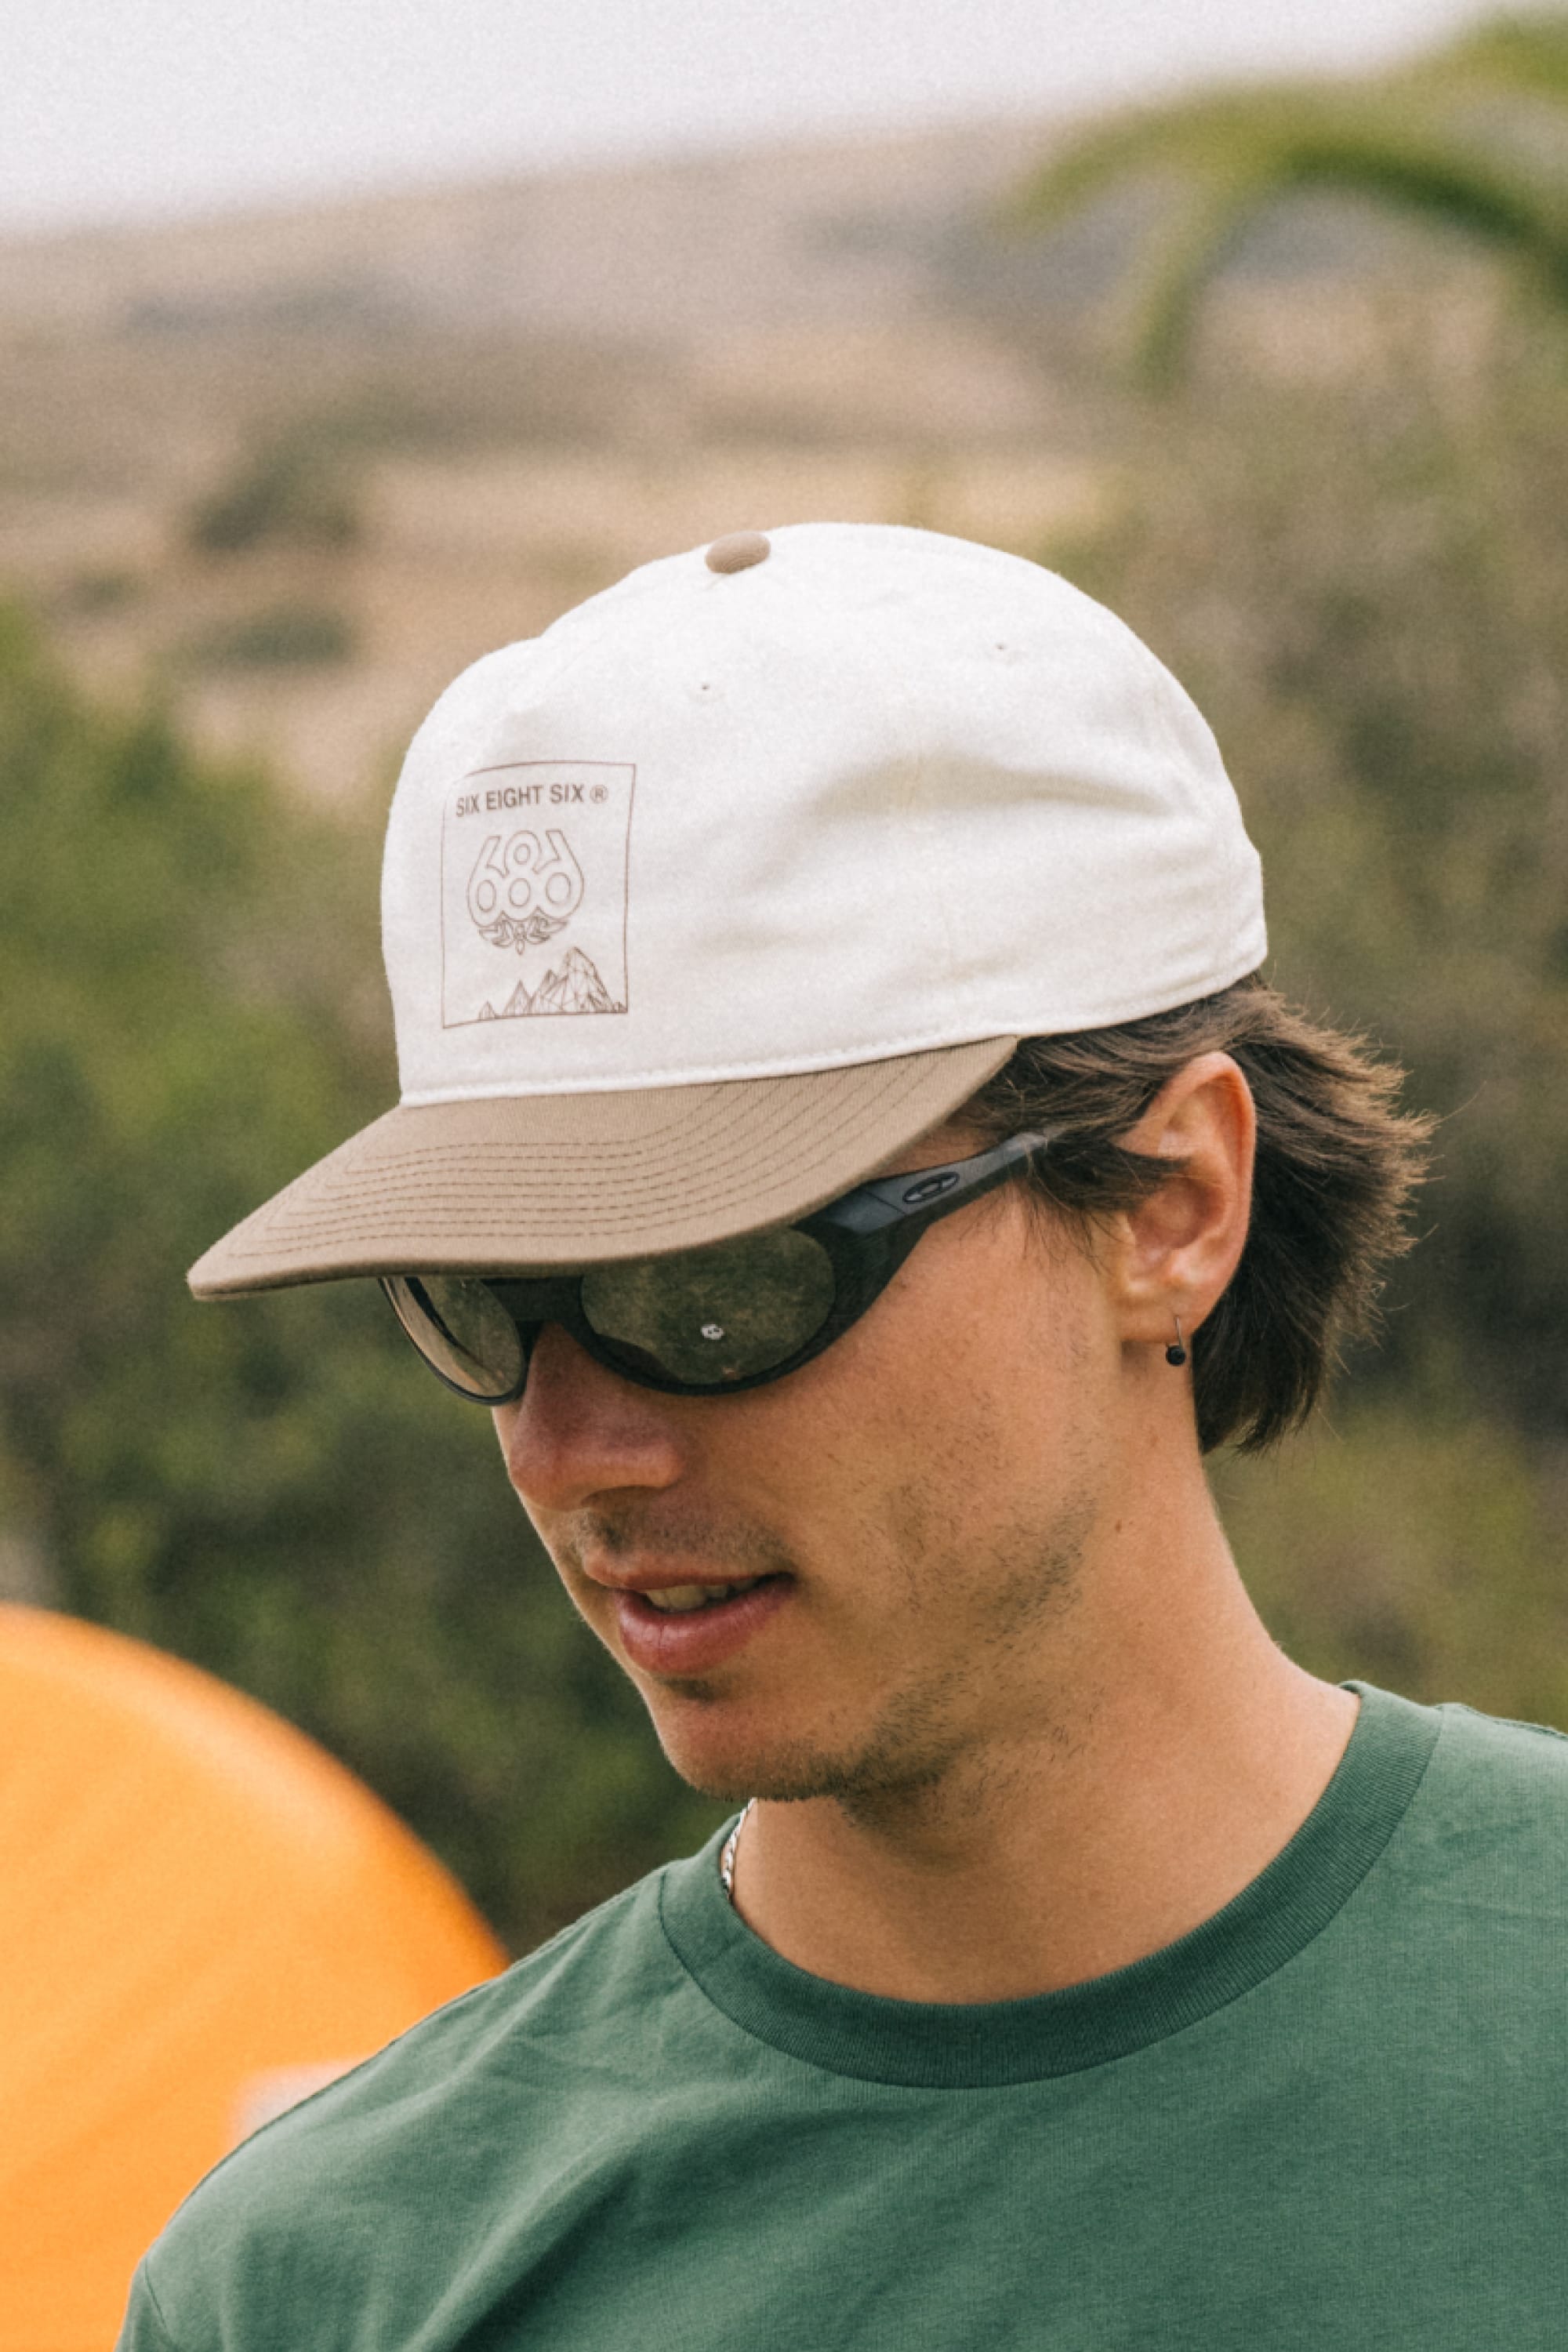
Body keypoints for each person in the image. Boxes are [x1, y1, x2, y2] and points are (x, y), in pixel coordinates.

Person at [122, 525, 1563, 2351]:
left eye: (718, 1284)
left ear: (1170, 1207)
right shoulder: (330, 2285)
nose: (573, 1449)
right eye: (481, 1302)